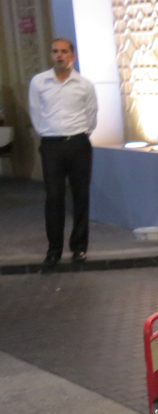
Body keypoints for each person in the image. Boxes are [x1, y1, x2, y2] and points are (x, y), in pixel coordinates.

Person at [28, 38, 98, 268]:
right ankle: (54, 250)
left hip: (78, 143)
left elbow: (91, 115)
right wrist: (49, 133)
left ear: (72, 56)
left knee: (80, 196)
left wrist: (78, 133)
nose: (59, 55)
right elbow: (35, 112)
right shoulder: (39, 82)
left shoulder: (84, 85)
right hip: (51, 145)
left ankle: (79, 248)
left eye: (64, 51)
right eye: (55, 51)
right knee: (54, 198)